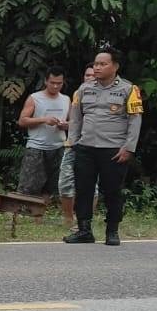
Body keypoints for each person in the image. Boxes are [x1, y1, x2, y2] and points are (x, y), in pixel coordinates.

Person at [64, 49, 142, 246]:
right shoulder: (83, 89)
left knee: (112, 191)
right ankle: (84, 230)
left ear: (115, 66)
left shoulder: (129, 89)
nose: (97, 67)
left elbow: (135, 120)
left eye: (102, 64)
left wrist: (129, 148)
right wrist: (72, 143)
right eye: (96, 64)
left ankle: (112, 230)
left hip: (114, 149)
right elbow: (76, 118)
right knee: (83, 190)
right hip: (85, 147)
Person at [17, 67, 69, 204]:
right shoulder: (35, 98)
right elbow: (22, 121)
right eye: (52, 82)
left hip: (59, 147)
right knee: (28, 186)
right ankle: (22, 210)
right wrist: (44, 120)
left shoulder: (66, 99)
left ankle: (42, 212)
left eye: (59, 83)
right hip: (37, 147)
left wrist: (65, 125)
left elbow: (73, 122)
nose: (56, 86)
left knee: (52, 187)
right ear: (46, 81)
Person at [53, 66, 97, 228]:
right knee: (65, 183)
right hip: (72, 144)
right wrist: (67, 125)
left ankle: (85, 221)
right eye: (87, 75)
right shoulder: (78, 93)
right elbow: (75, 119)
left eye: (93, 75)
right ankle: (68, 219)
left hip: (93, 144)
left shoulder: (104, 95)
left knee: (91, 185)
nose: (89, 78)